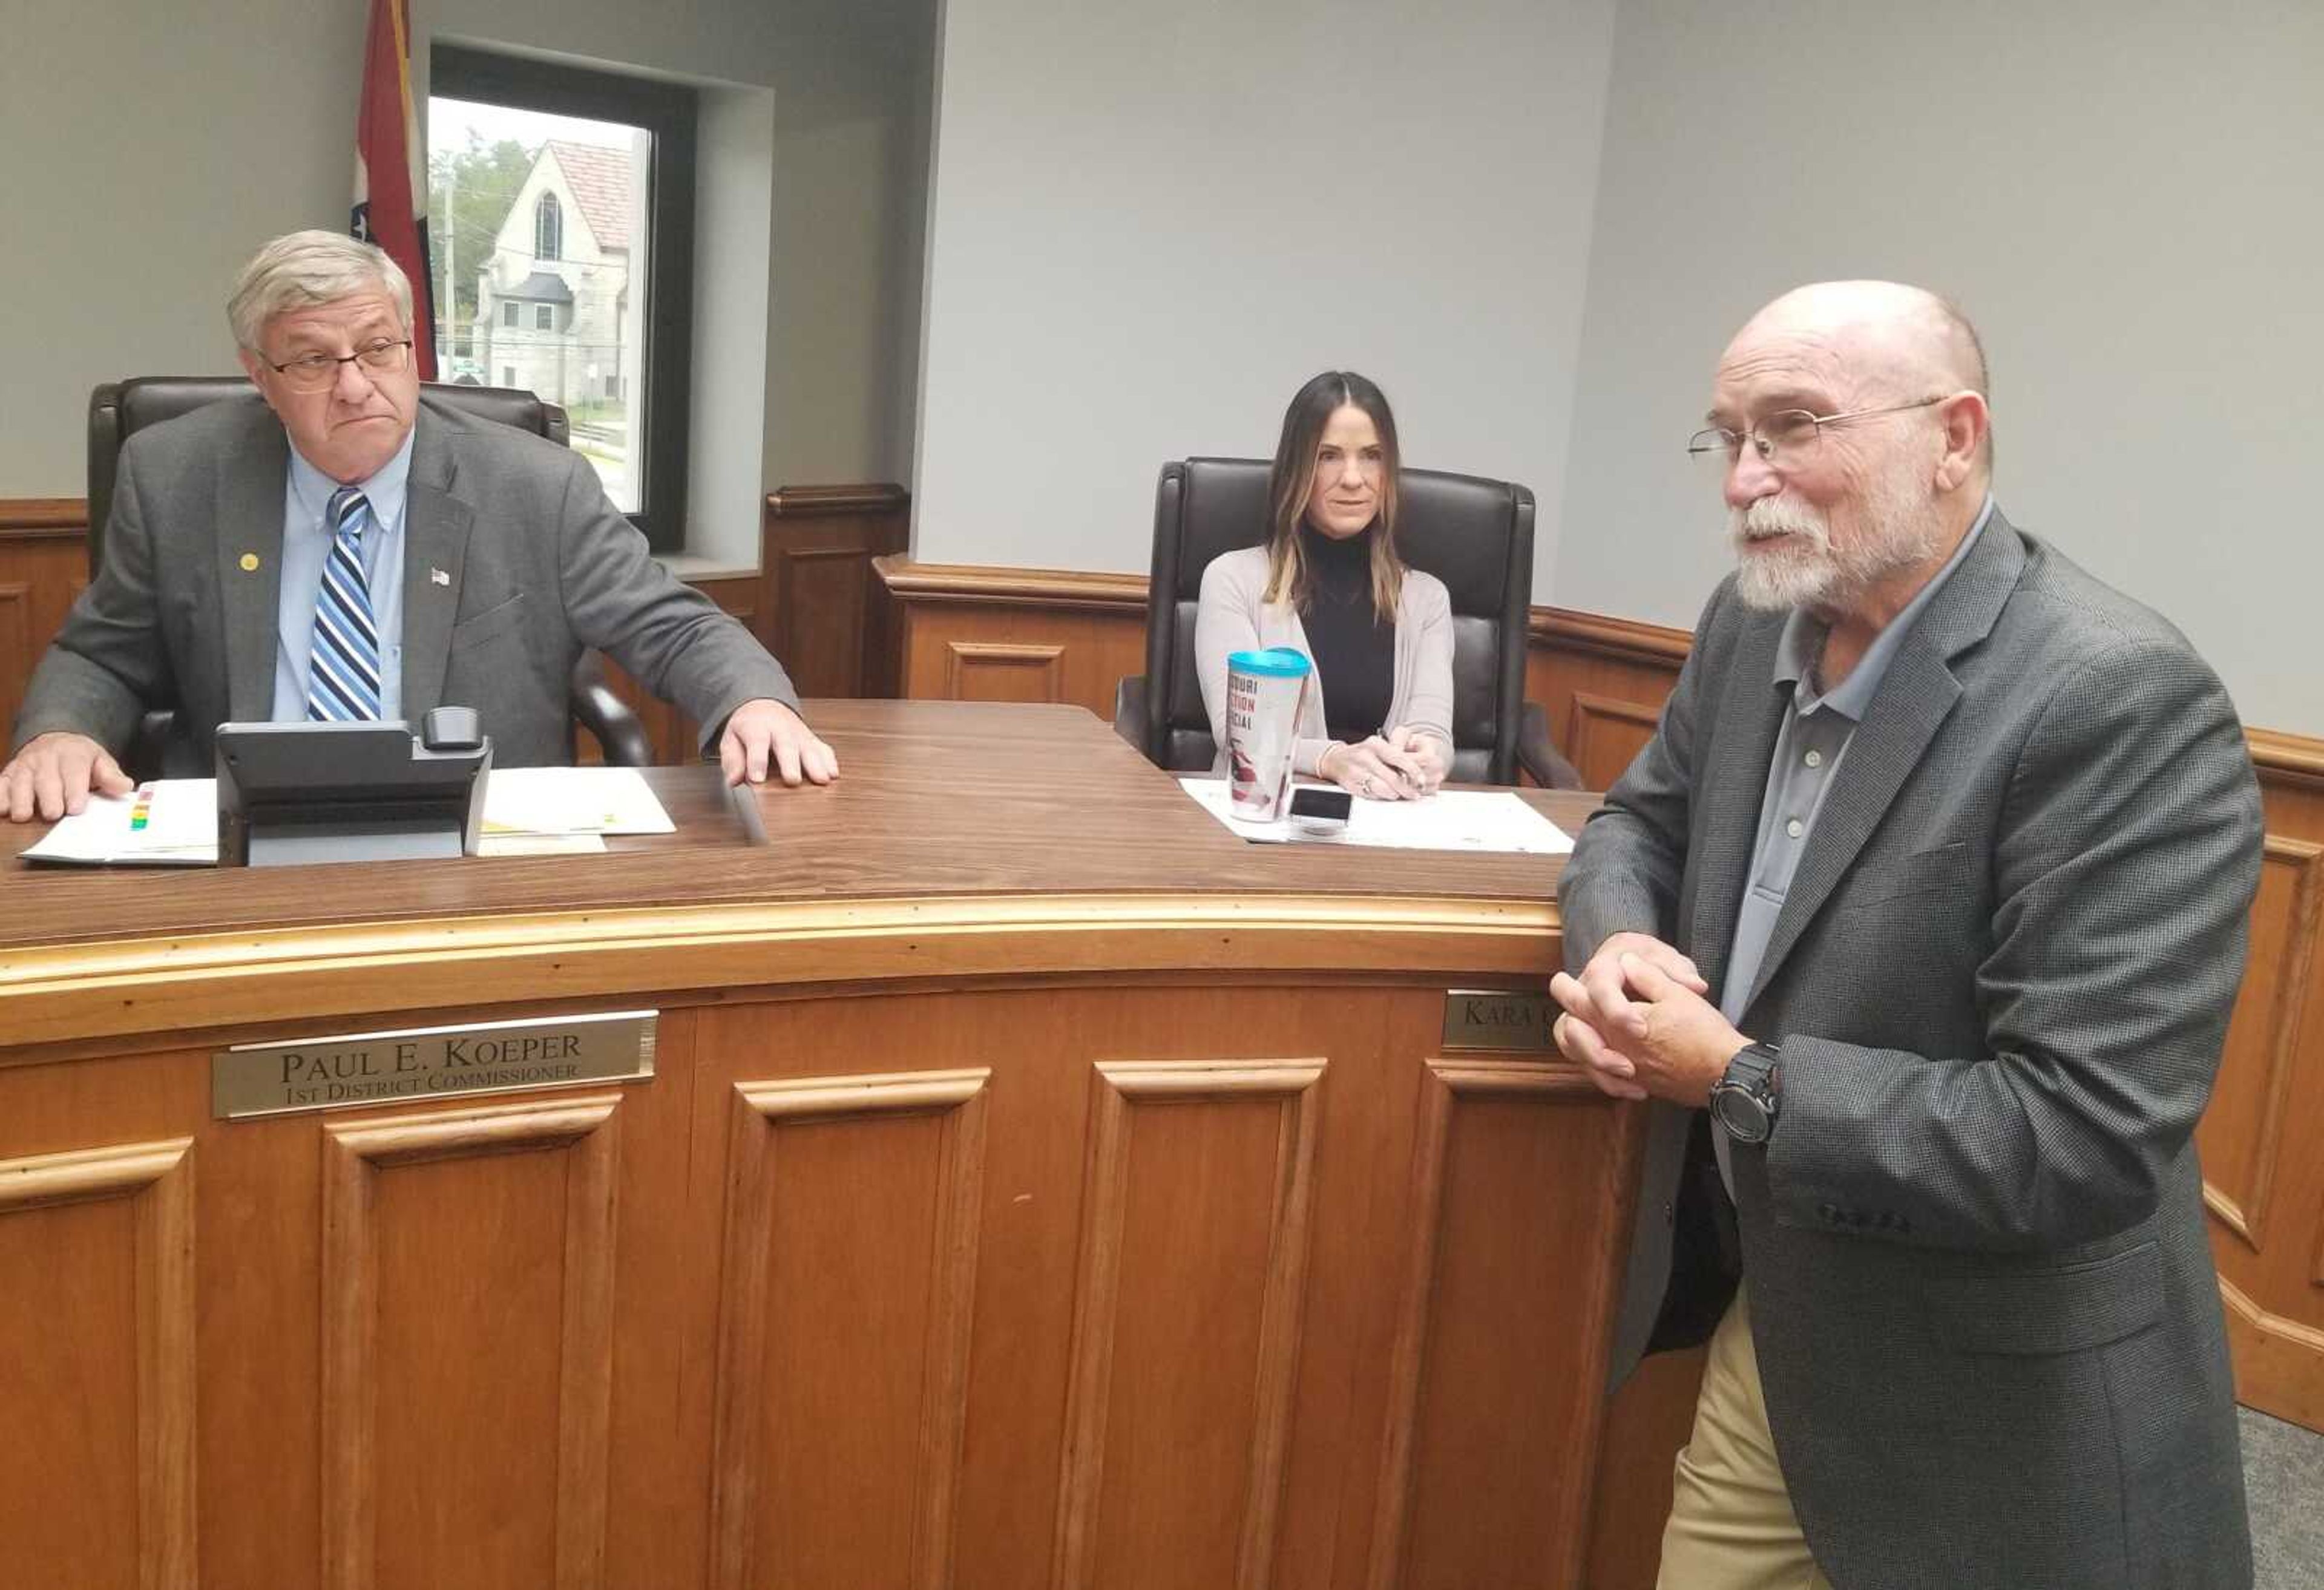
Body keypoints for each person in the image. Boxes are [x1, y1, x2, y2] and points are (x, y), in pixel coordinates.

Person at [1551, 281, 2260, 1589]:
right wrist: (1619, 947)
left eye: (1794, 426)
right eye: (1730, 436)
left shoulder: (2113, 698)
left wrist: (1736, 1079)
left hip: (1997, 1399)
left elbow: (2079, 1136)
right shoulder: (1752, 621)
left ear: (1955, 438)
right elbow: (1632, 828)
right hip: (1780, 1318)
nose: (1744, 478)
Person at [3, 229, 836, 822]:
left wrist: (754, 702)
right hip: (245, 834)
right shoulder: (175, 475)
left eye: (378, 349)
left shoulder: (533, 486)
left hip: (476, 839)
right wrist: (59, 734)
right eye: (314, 360)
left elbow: (673, 625)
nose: (356, 384)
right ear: (258, 375)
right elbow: (101, 654)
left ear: (414, 348)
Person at [1193, 371, 1452, 801]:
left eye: (1371, 456)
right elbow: (1238, 734)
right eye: (1328, 456)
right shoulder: (1232, 580)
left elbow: (1433, 728)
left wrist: (1427, 755)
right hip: (1264, 819)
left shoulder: (1428, 600)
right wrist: (1331, 760)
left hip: (1386, 825)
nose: (1353, 478)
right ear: (1298, 468)